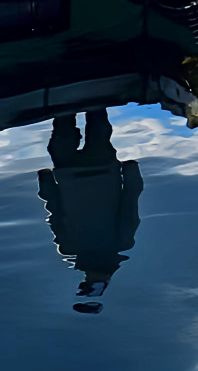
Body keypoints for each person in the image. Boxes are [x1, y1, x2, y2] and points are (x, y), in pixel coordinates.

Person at [37, 108, 142, 314]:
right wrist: (45, 182)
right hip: (73, 172)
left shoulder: (120, 243)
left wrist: (131, 172)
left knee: (96, 123)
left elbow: (131, 202)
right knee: (68, 127)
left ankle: (81, 89)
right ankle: (72, 89)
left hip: (99, 169)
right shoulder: (70, 247)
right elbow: (55, 211)